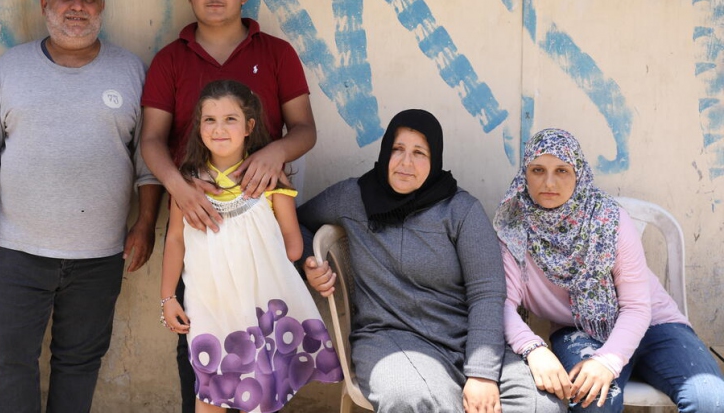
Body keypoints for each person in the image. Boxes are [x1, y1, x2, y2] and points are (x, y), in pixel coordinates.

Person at [0, 0, 163, 413]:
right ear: (46, 3)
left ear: (102, 6)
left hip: (98, 255)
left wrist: (146, 223)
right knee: (13, 364)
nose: (77, 6)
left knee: (79, 361)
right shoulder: (12, 68)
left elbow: (149, 158)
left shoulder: (129, 70)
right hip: (18, 252)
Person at [140, 0, 317, 412]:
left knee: (266, 357)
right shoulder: (169, 60)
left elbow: (305, 129)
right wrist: (178, 187)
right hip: (197, 221)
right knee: (201, 353)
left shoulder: (277, 53)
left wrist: (275, 153)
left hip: (260, 228)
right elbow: (152, 140)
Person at [299, 110, 565, 413]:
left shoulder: (461, 211)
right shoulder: (353, 197)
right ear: (386, 152)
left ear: (435, 157)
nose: (406, 162)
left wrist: (481, 373)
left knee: (540, 403)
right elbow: (297, 222)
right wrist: (311, 262)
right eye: (398, 149)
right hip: (390, 337)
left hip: (466, 338)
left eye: (419, 153)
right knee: (419, 400)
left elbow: (487, 292)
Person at [493, 128, 724, 412]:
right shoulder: (513, 230)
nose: (549, 182)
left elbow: (638, 307)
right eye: (538, 169)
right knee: (592, 404)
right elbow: (499, 303)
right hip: (578, 331)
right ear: (524, 174)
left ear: (579, 174)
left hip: (656, 325)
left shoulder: (608, 219)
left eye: (562, 170)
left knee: (711, 400)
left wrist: (608, 361)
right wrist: (533, 348)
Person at [160, 80, 342, 413]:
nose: (218, 129)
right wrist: (168, 297)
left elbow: (292, 247)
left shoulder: (272, 182)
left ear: (249, 126)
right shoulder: (187, 186)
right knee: (209, 395)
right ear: (198, 127)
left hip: (260, 308)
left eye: (230, 119)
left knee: (261, 393)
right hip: (209, 307)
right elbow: (175, 239)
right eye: (209, 120)